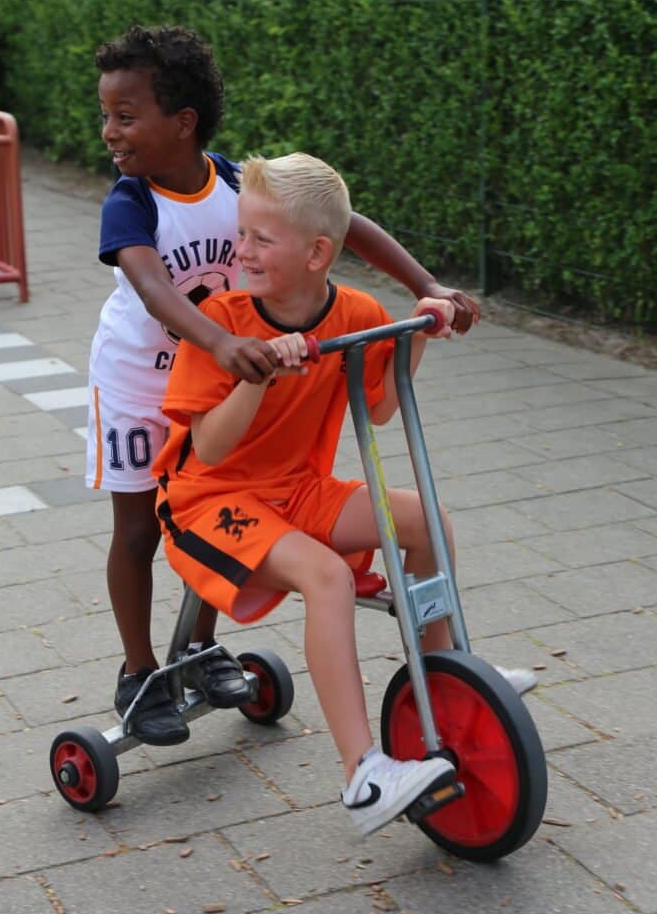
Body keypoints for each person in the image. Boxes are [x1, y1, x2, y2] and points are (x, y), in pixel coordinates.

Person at [86, 24, 482, 748]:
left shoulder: (237, 184)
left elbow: (344, 223)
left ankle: (199, 646)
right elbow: (152, 288)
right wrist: (223, 343)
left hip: (231, 365)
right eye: (107, 114)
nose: (109, 130)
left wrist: (425, 284)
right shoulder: (131, 201)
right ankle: (139, 672)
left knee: (227, 489)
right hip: (142, 379)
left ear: (184, 122)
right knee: (142, 526)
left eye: (125, 115)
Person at [153, 151, 468, 835]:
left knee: (429, 522)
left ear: (317, 253)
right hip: (209, 502)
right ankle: (363, 774)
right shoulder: (221, 321)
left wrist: (422, 329)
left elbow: (379, 407)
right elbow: (210, 449)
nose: (242, 251)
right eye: (242, 234)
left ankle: (445, 688)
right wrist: (259, 373)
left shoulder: (354, 312)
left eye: (261, 239)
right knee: (327, 576)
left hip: (297, 490)